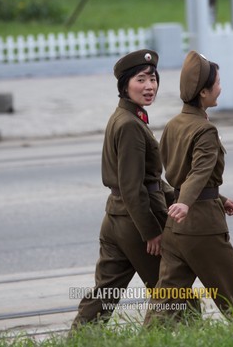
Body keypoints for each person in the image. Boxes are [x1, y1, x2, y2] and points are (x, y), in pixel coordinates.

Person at [145, 51, 233, 324]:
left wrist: (219, 197)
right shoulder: (205, 130)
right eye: (217, 83)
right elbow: (199, 171)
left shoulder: (174, 124)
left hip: (176, 228)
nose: (221, 88)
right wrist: (188, 202)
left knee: (164, 307)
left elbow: (181, 174)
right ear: (204, 92)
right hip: (203, 225)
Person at [71, 49, 168, 329]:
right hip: (135, 222)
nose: (149, 86)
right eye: (141, 80)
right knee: (173, 292)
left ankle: (79, 339)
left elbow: (145, 181)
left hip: (116, 218)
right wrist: (151, 231)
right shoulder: (129, 125)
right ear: (124, 85)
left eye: (153, 79)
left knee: (104, 295)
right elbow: (132, 186)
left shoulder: (125, 117)